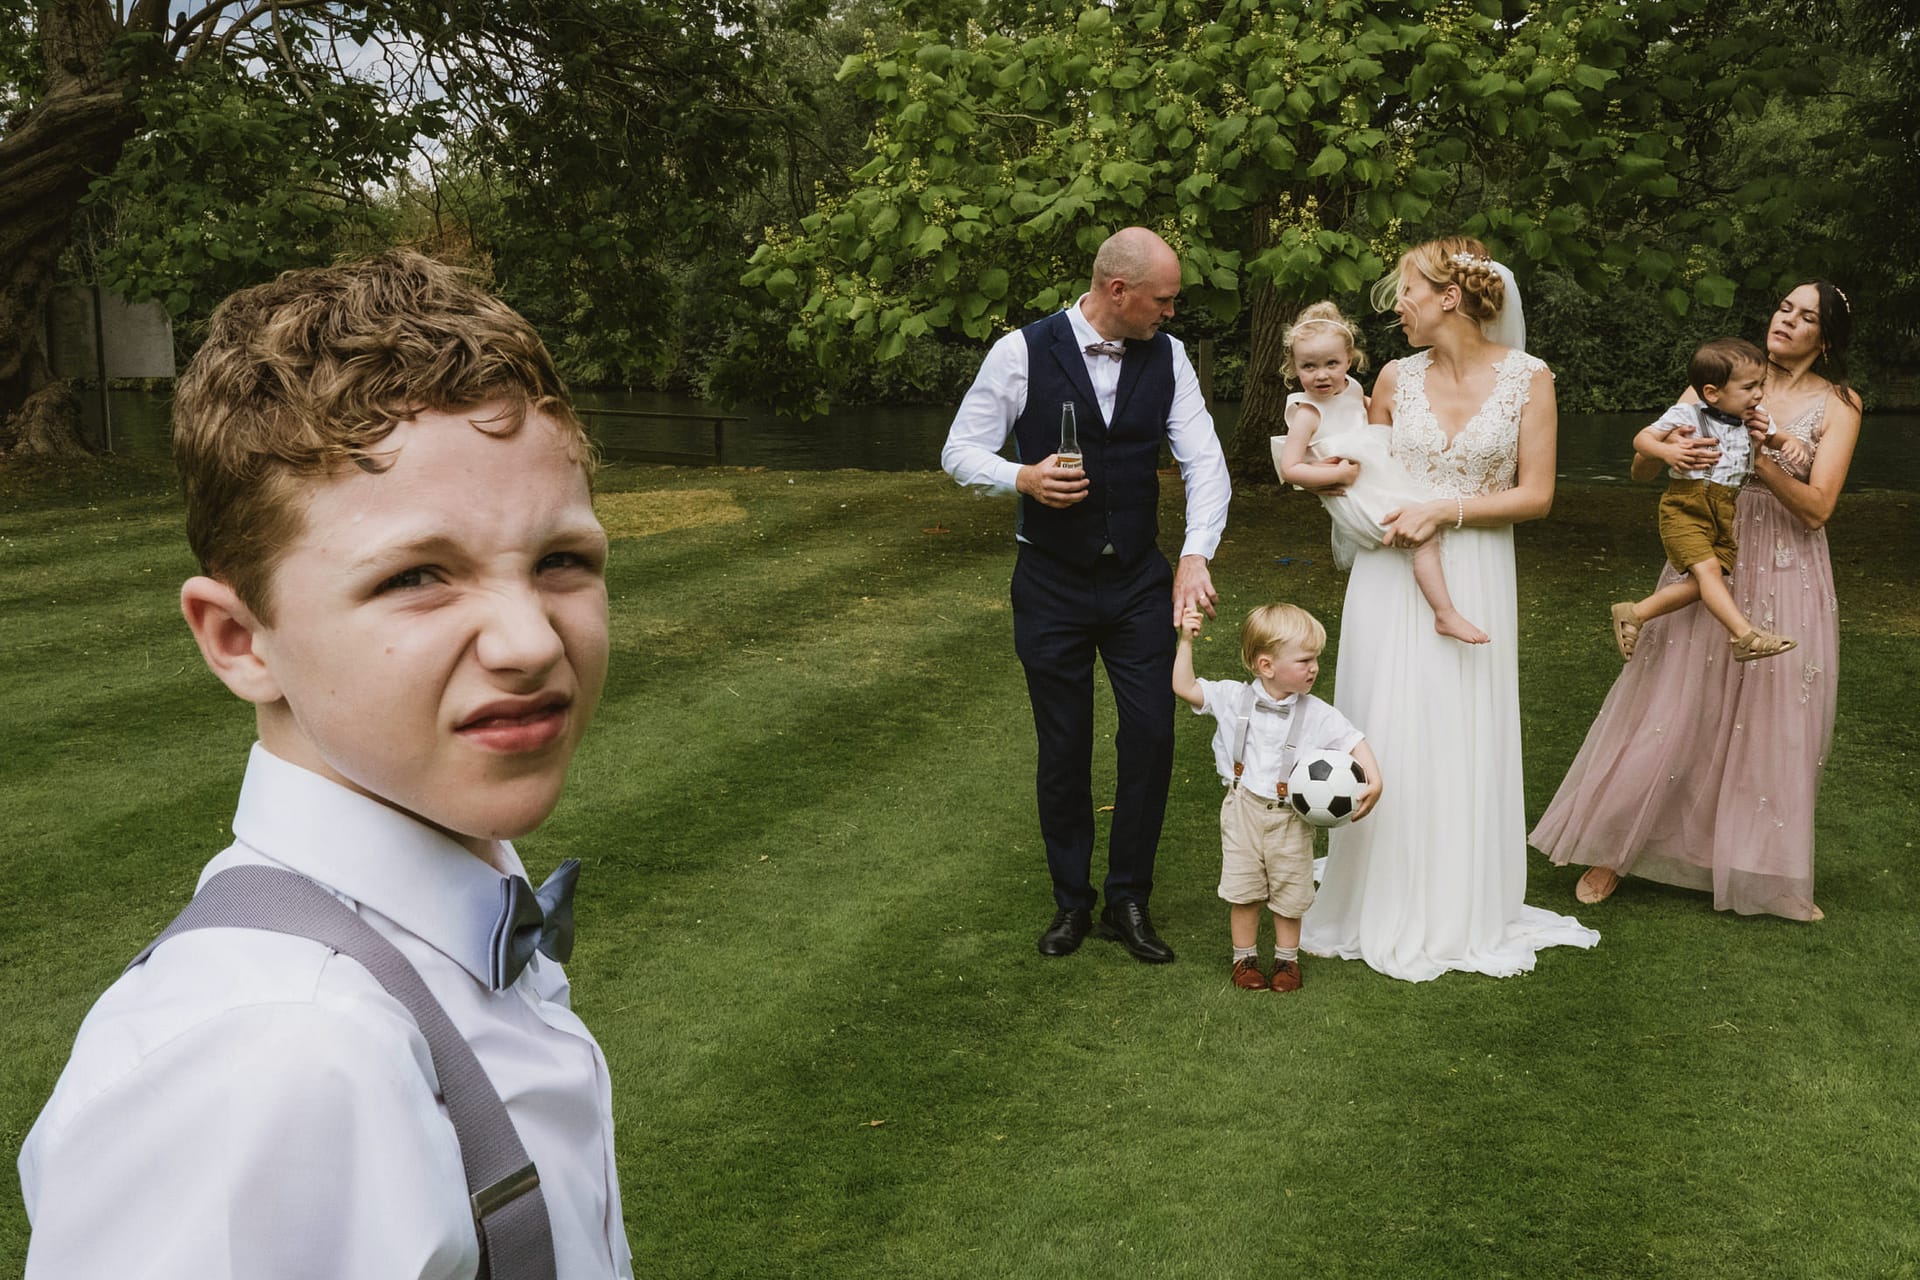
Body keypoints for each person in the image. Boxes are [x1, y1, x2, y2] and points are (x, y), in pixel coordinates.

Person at [17, 252, 634, 1277]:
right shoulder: (280, 1055)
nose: (529, 641)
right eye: (417, 575)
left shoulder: (447, 926)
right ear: (237, 637)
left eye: (562, 558)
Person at [1298, 236, 1598, 982]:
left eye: (1406, 292)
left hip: (1476, 562)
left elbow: (1536, 494)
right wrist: (1328, 478)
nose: (1397, 307)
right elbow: (1358, 462)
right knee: (1390, 720)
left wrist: (1448, 512)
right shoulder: (1395, 376)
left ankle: (1459, 898)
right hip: (1388, 571)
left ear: (1449, 298)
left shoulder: (1530, 380)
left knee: (1459, 720)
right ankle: (1377, 889)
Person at [942, 226, 1231, 963]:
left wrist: (1195, 554)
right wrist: (1023, 477)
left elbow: (1205, 459)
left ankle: (1128, 899)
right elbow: (960, 450)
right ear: (1117, 291)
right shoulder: (1020, 352)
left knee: (1153, 736)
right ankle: (1072, 902)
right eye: (1162, 300)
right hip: (1051, 582)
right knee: (1063, 745)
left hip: (1138, 581)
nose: (1171, 312)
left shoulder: (1168, 357)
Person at [1532, 282, 1862, 920]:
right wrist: (1670, 453)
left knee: (1775, 708)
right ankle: (1612, 848)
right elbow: (1641, 468)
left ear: (1826, 339)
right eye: (1785, 308)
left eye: (1807, 318)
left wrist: (1755, 460)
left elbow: (1819, 509)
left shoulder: (1838, 401)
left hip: (1788, 560)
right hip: (1709, 546)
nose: (1787, 321)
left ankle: (1765, 869)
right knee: (1670, 693)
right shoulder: (1724, 374)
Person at [1173, 602, 1381, 992]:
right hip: (1242, 810)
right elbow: (1184, 687)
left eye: (1316, 658)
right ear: (1266, 666)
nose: (1314, 667)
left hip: (1291, 818)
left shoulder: (1318, 713)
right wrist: (1186, 641)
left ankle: (1287, 961)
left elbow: (1354, 740)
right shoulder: (1232, 698)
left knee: (1290, 891)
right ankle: (1244, 958)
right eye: (1304, 660)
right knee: (1243, 890)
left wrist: (1376, 778)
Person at [1275, 300, 1487, 644]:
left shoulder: (1354, 389)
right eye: (1308, 366)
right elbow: (1291, 468)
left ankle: (1430, 610)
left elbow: (1371, 416)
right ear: (1293, 368)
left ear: (1349, 359)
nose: (1322, 374)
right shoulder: (1308, 412)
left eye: (1332, 363)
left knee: (1423, 517)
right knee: (1421, 536)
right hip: (1351, 490)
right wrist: (1335, 477)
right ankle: (1445, 614)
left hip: (1374, 477)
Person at [1607, 336, 1810, 663]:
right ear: (1713, 393)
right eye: (1748, 387)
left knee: (1703, 582)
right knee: (1709, 573)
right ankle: (1743, 635)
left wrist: (1790, 442)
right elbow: (1642, 439)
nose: (1758, 394)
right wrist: (1667, 451)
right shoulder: (1687, 415)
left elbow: (1776, 436)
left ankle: (1635, 612)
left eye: (1761, 385)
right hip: (1685, 508)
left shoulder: (1753, 418)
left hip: (1723, 511)